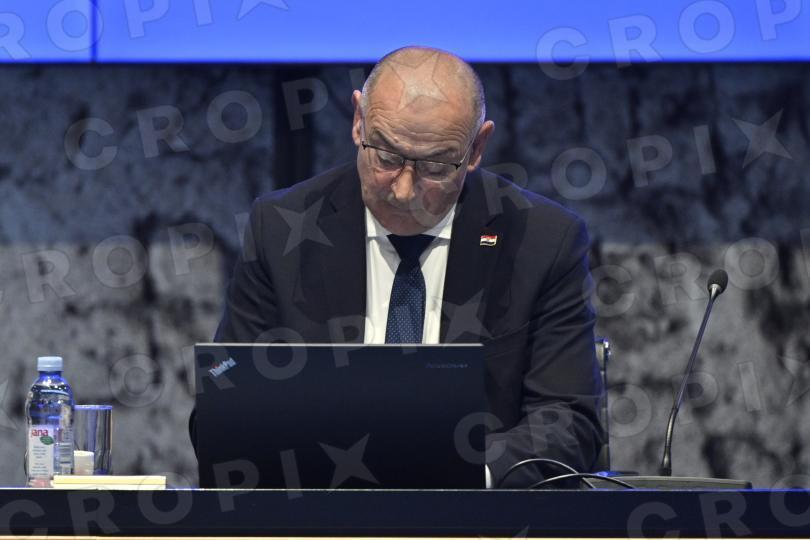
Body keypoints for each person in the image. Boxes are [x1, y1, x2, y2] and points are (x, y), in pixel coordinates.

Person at [197, 46, 603, 488]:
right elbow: (224, 408)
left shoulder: (542, 241)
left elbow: (568, 421)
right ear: (358, 122)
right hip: (320, 510)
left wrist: (465, 475)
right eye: (387, 157)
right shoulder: (280, 229)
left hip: (476, 515)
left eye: (435, 166)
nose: (404, 190)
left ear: (476, 148)